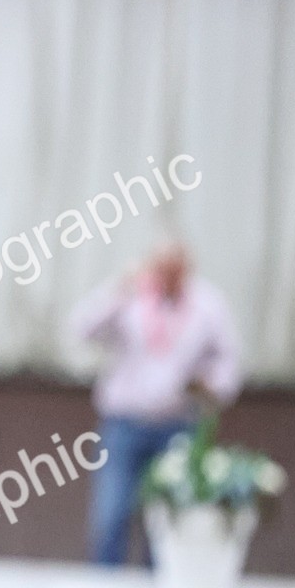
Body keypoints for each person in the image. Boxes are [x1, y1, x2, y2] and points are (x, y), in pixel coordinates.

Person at [70, 241, 242, 565]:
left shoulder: (208, 303)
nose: (167, 278)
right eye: (161, 269)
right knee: (111, 513)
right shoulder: (129, 296)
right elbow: (81, 328)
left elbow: (228, 362)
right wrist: (119, 291)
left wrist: (211, 385)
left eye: (174, 271)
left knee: (167, 519)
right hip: (124, 423)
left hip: (178, 425)